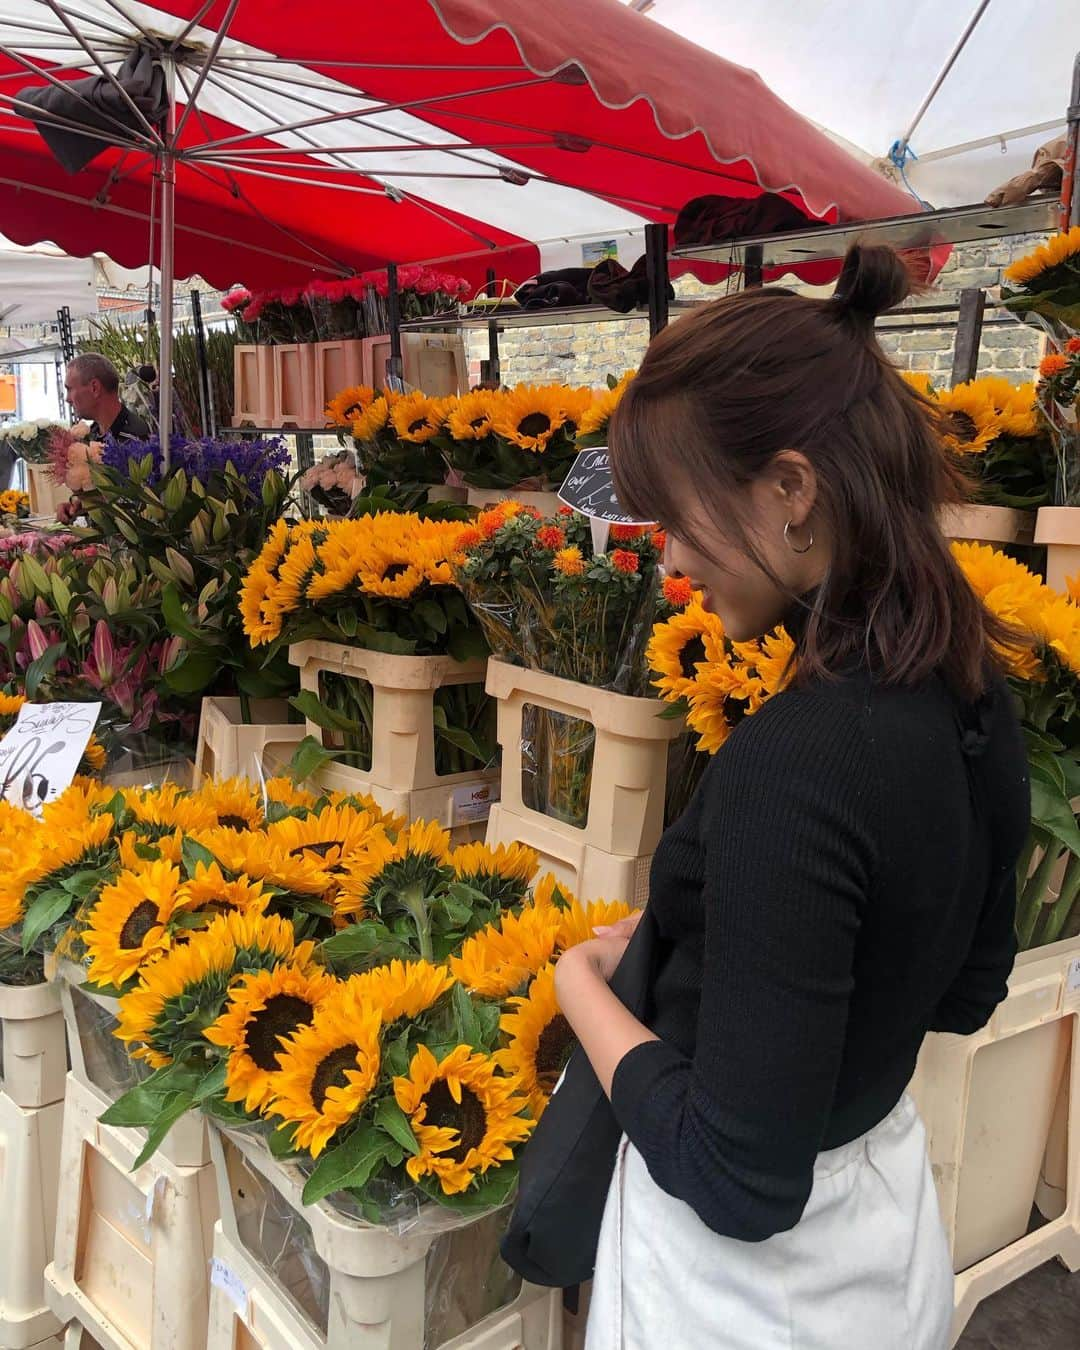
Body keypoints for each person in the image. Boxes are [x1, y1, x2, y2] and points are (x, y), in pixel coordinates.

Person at [553, 244, 1030, 1349]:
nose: (672, 558)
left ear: (791, 490)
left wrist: (584, 986)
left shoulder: (795, 764)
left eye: (678, 517)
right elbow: (962, 990)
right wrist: (731, 946)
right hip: (883, 1233)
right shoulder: (966, 687)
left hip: (733, 1297)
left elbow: (737, 1178)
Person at [64, 353, 150, 442]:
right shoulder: (93, 434)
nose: (67, 399)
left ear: (95, 388)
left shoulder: (134, 441)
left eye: (69, 389)